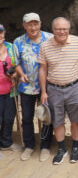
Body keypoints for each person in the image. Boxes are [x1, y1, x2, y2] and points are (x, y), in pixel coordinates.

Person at [38, 17, 78, 165]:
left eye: (64, 28)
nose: (62, 31)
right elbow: (42, 69)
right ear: (53, 30)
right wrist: (43, 91)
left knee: (76, 120)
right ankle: (62, 149)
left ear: (69, 29)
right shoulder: (45, 46)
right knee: (57, 121)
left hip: (75, 87)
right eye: (58, 29)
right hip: (53, 89)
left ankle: (75, 148)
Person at [13, 13, 53, 161]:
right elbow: (15, 62)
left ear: (40, 24)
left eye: (35, 23)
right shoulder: (18, 42)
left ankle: (45, 147)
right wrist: (20, 73)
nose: (33, 27)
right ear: (24, 26)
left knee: (47, 117)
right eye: (29, 24)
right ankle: (29, 146)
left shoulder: (49, 39)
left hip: (47, 87)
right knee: (27, 118)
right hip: (27, 87)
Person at [0, 23, 20, 154]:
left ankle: (5, 143)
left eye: (1, 32)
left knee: (8, 118)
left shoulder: (11, 47)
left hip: (10, 91)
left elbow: (17, 66)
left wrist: (15, 75)